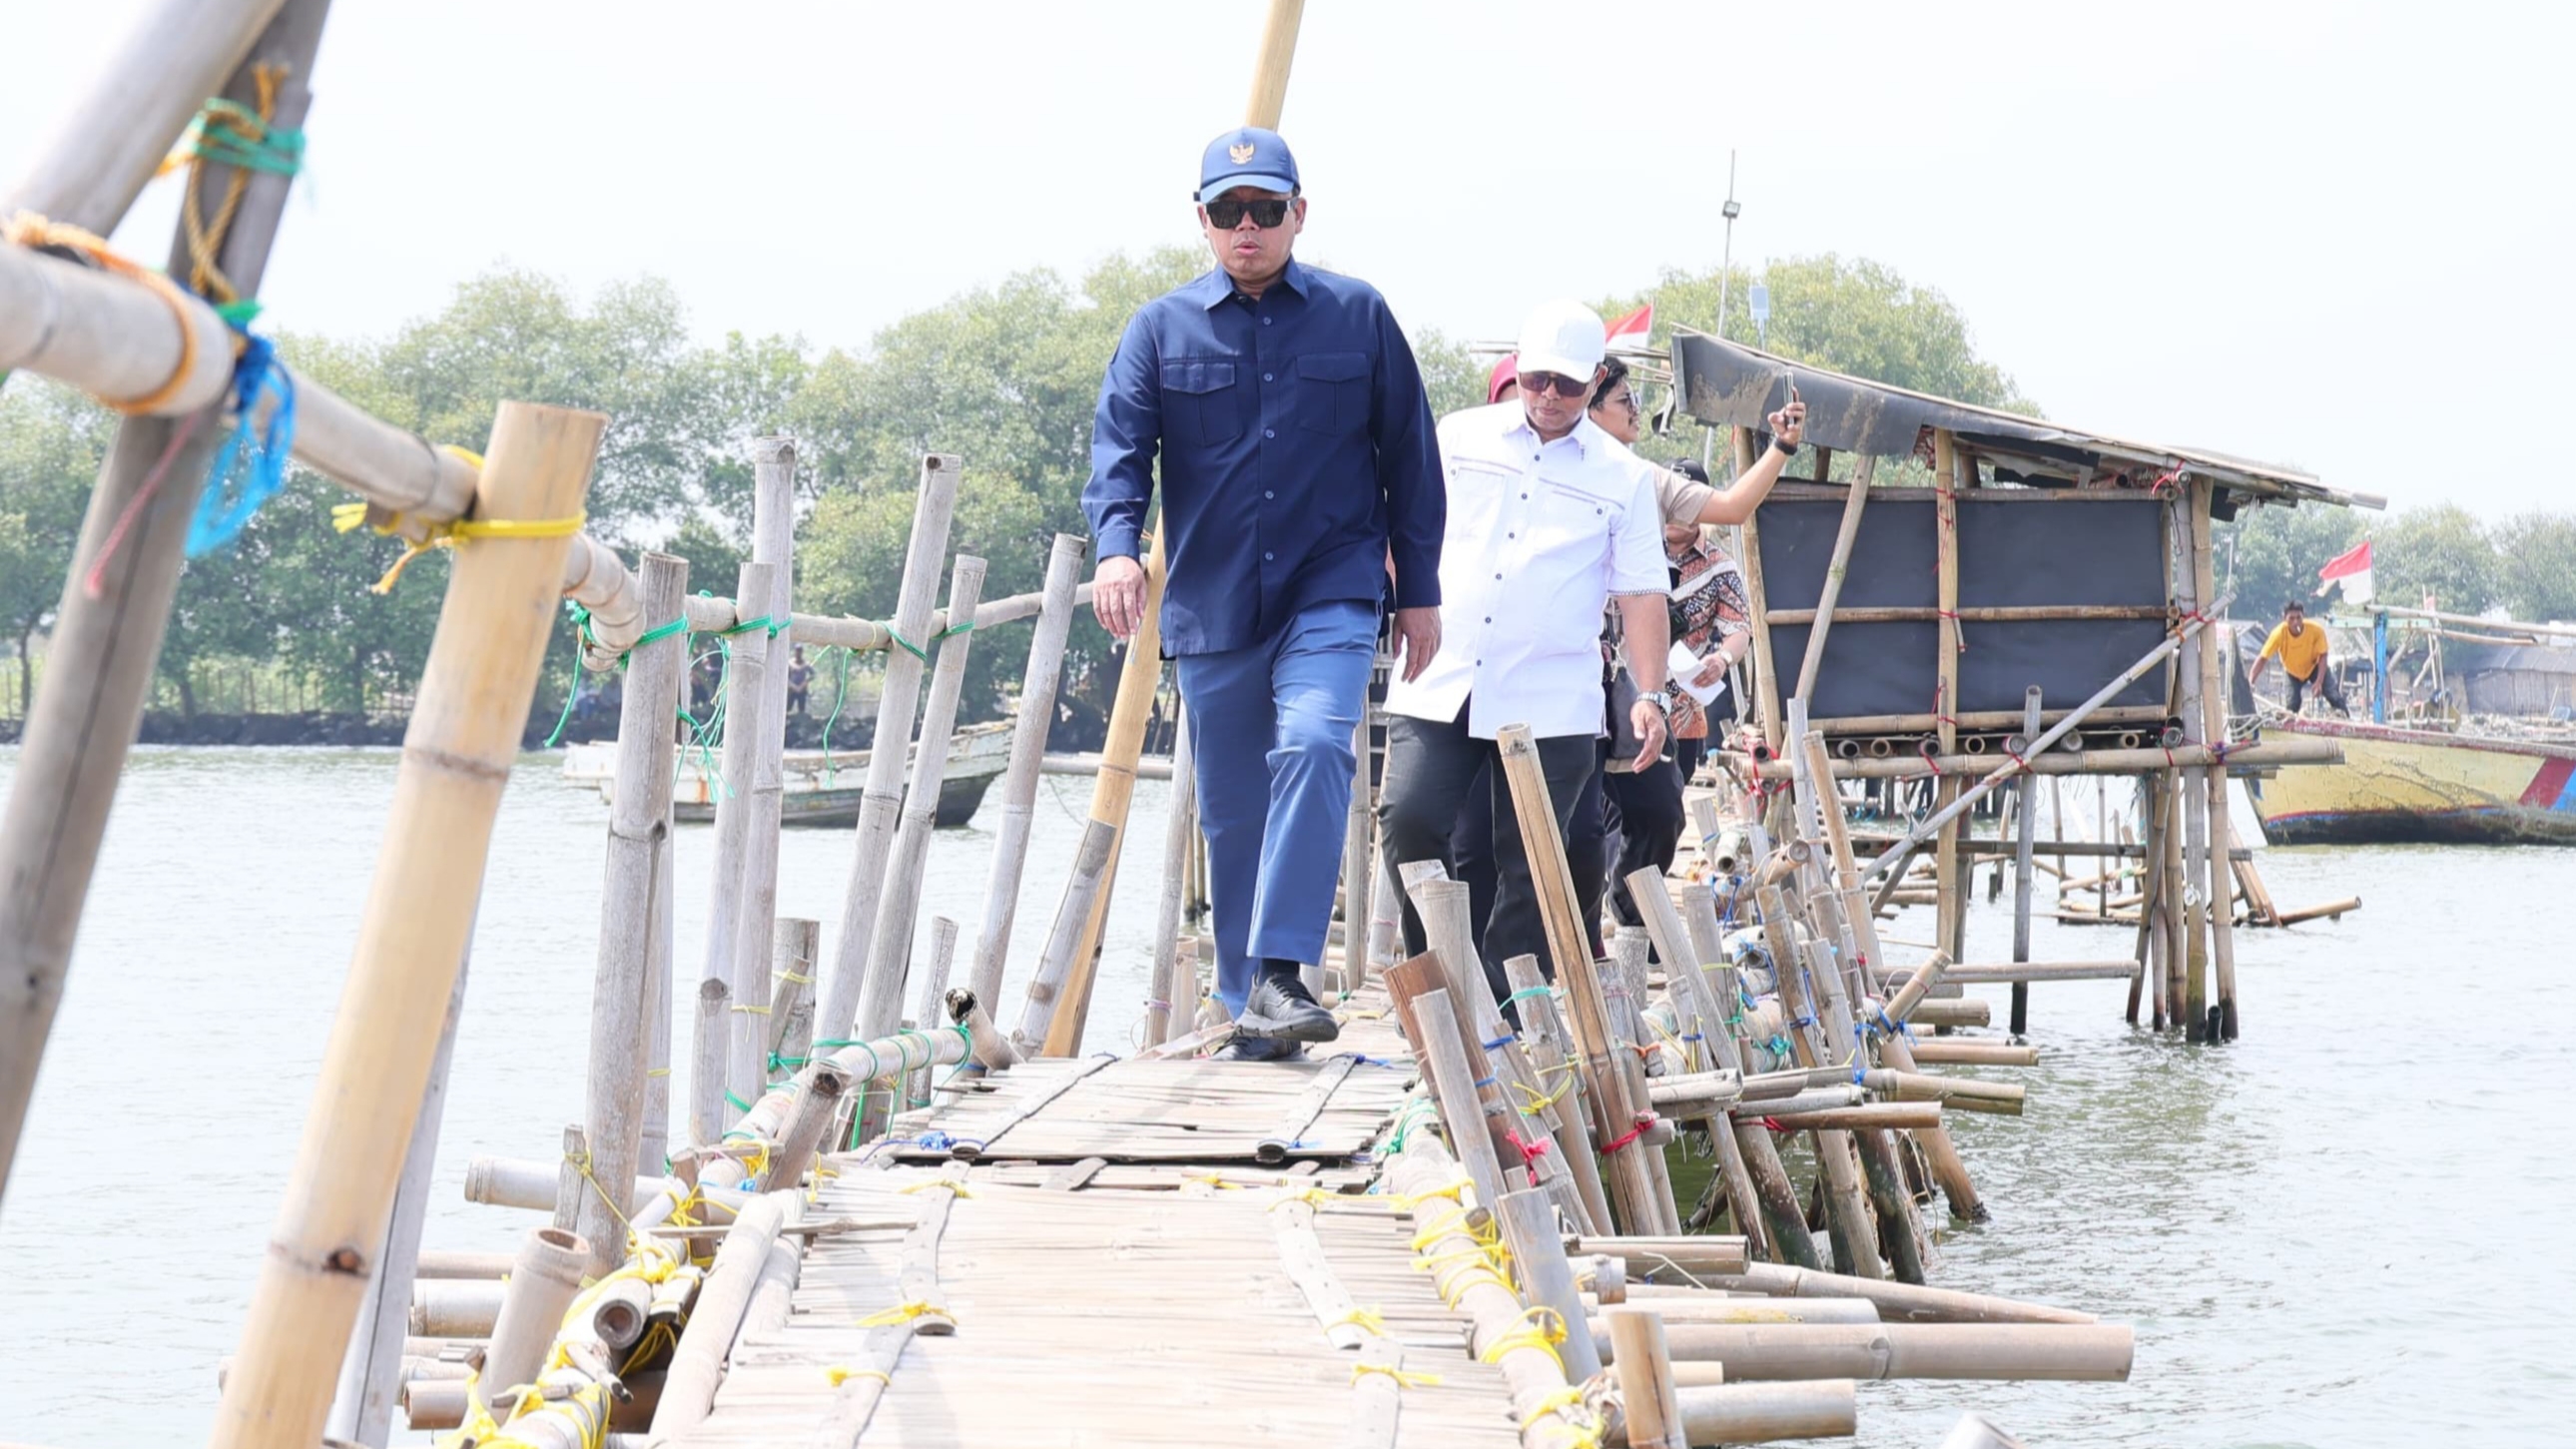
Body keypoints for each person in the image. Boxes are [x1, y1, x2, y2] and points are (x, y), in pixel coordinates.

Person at [1083, 125, 1444, 1061]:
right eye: (1229, 210)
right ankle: (1250, 1006)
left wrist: (1420, 589)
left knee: (1318, 744)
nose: (1248, 226)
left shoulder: (1359, 316)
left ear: (1299, 213)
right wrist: (1117, 550)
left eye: (1266, 208)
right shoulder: (1159, 329)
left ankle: (1282, 970)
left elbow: (1412, 457)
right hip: (1213, 601)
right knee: (1235, 812)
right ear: (1202, 220)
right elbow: (1118, 453)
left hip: (1333, 587)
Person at [1378, 300, 1670, 1005]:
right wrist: (1400, 598)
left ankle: (1506, 1011)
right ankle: (1439, 987)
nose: (1547, 395)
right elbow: (1403, 526)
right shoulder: (1458, 435)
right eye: (1537, 378)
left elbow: (1641, 592)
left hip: (1551, 693)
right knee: (1409, 819)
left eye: (1567, 384)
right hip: (1444, 670)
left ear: (1595, 380)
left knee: (1534, 859)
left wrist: (1652, 693)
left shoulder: (1624, 475)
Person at [2250, 599, 2345, 715]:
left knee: (2333, 695)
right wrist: (2251, 681)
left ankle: (2348, 721)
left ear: (2303, 616)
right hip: (2291, 672)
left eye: (2299, 618)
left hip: (2314, 667)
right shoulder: (2278, 633)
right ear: (2285, 618)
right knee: (2292, 705)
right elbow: (2263, 658)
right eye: (2291, 618)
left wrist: (2319, 682)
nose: (2296, 622)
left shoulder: (2316, 630)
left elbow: (2323, 655)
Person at [785, 644, 815, 718]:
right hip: (791, 689)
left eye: (800, 651)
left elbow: (813, 675)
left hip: (802, 689)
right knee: (787, 707)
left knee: (801, 709)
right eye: (797, 651)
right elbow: (785, 676)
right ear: (795, 651)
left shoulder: (806, 664)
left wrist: (805, 683)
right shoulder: (790, 663)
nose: (798, 652)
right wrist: (792, 685)